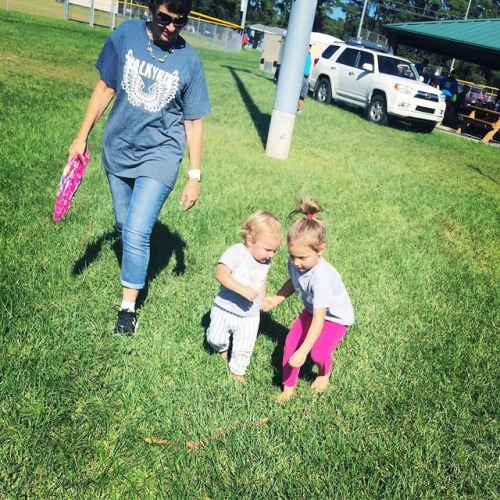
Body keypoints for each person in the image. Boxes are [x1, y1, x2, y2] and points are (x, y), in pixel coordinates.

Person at [67, 0, 211, 335]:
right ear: (151, 9)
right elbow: (105, 87)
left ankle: (127, 309)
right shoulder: (126, 35)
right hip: (118, 148)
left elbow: (193, 123)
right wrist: (81, 137)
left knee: (135, 231)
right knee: (123, 223)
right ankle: (133, 254)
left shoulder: (190, 60)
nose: (171, 27)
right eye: (164, 18)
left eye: (180, 21)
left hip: (160, 155)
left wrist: (194, 175)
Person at [261, 198, 354, 402]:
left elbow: (319, 321)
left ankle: (324, 372)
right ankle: (288, 388)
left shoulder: (321, 279)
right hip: (313, 310)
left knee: (317, 353)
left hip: (334, 317)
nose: (296, 263)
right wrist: (276, 299)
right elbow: (294, 282)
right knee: (289, 344)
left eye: (302, 258)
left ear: (320, 250)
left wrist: (304, 352)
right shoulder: (297, 260)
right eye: (292, 256)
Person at [206, 211, 282, 383]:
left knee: (244, 346)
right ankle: (223, 348)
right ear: (250, 240)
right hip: (224, 308)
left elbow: (263, 277)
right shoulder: (235, 252)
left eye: (275, 250)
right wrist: (241, 289)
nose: (271, 255)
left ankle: (237, 372)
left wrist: (262, 297)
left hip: (250, 314)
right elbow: (221, 274)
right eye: (267, 249)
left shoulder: (265, 261)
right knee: (214, 338)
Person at [297, 44, 312, 114]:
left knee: (302, 95)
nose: (309, 47)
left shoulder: (309, 55)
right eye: (308, 45)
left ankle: (300, 110)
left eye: (310, 46)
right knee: (297, 94)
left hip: (306, 77)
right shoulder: (302, 54)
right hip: (301, 76)